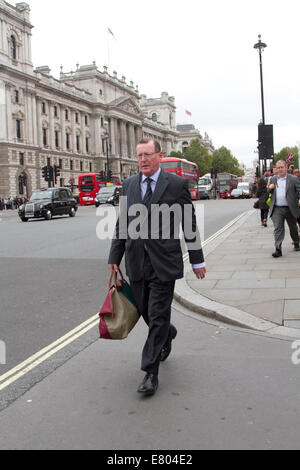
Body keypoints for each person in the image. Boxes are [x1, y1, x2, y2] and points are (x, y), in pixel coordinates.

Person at [108, 138, 206, 396]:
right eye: (139, 155)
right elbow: (122, 224)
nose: (142, 160)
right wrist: (114, 258)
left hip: (164, 262)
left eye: (148, 154)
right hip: (136, 261)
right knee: (146, 311)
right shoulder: (128, 185)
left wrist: (197, 259)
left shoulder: (175, 184)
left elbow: (189, 222)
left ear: (159, 156)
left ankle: (150, 372)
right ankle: (168, 333)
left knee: (158, 313)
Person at [268, 160, 300, 257]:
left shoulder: (293, 179)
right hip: (277, 208)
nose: (280, 169)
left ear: (286, 168)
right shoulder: (273, 179)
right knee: (278, 228)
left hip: (290, 207)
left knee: (293, 227)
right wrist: (270, 187)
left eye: (282, 167)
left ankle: (297, 242)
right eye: (278, 168)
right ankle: (278, 249)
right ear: (276, 169)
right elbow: (266, 191)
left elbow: (299, 190)